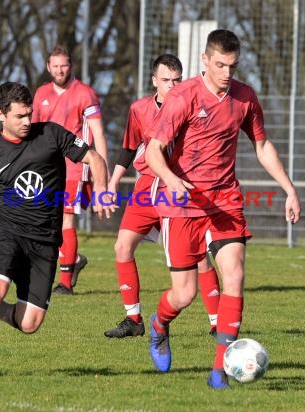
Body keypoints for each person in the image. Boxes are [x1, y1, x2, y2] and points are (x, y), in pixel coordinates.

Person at [144, 29, 301, 389]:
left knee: (234, 276)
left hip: (225, 200)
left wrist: (289, 189)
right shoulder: (183, 97)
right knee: (184, 294)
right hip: (183, 203)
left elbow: (261, 145)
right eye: (219, 64)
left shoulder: (244, 98)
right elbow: (154, 150)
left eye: (232, 65)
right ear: (205, 60)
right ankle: (158, 324)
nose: (226, 72)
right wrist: (170, 179)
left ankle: (219, 371)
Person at [0, 82, 112, 380]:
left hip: (45, 241)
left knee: (30, 324)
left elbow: (94, 158)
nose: (27, 121)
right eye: (20, 116)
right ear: (0, 115)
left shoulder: (51, 134)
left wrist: (102, 192)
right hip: (9, 235)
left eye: (29, 114)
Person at [104, 54, 221, 339]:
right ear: (154, 80)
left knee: (200, 258)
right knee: (122, 247)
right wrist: (112, 184)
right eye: (166, 80)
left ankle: (218, 322)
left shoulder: (192, 106)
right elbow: (129, 148)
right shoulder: (139, 109)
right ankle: (133, 319)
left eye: (177, 79)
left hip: (179, 188)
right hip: (147, 186)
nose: (172, 85)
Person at [32, 44, 109, 295]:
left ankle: (65, 284)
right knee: (46, 221)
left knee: (66, 217)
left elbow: (98, 134)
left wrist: (103, 178)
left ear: (71, 66)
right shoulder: (41, 93)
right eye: (54, 65)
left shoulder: (85, 94)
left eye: (63, 65)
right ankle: (73, 260)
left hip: (75, 167)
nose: (59, 70)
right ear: (48, 67)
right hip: (46, 168)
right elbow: (32, 132)